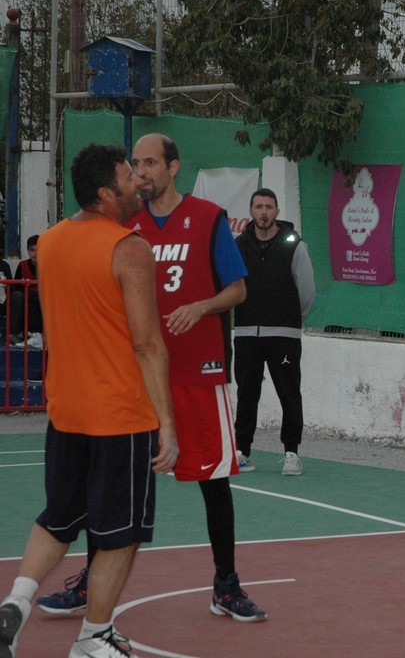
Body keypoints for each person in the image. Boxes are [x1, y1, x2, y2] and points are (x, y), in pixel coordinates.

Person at [33, 133, 267, 623]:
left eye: (149, 163)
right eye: (135, 164)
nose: (140, 172)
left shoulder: (208, 218)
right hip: (133, 377)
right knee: (109, 489)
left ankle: (226, 584)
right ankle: (90, 582)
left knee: (213, 482)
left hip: (198, 372)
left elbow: (239, 290)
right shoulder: (120, 223)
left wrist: (201, 306)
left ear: (172, 167)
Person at [0, 143, 177, 658]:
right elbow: (146, 344)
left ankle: (15, 602)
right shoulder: (129, 248)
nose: (138, 182)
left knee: (58, 518)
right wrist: (167, 423)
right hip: (121, 414)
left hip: (66, 409)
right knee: (120, 535)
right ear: (106, 194)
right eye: (128, 177)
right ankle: (93, 637)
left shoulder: (52, 242)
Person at [233, 188, 315, 476]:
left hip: (284, 337)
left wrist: (289, 320)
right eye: (259, 207)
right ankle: (242, 452)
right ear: (251, 211)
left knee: (289, 394)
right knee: (246, 394)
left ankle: (291, 453)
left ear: (277, 212)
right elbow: (231, 286)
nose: (264, 212)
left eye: (269, 207)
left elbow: (307, 292)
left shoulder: (294, 245)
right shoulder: (238, 246)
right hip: (246, 334)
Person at [8, 235, 43, 347]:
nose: (35, 253)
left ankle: (37, 335)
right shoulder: (22, 265)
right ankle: (15, 333)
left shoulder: (48, 266)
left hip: (43, 300)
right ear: (27, 251)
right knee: (17, 296)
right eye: (31, 250)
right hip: (27, 300)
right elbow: (15, 287)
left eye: (38, 250)